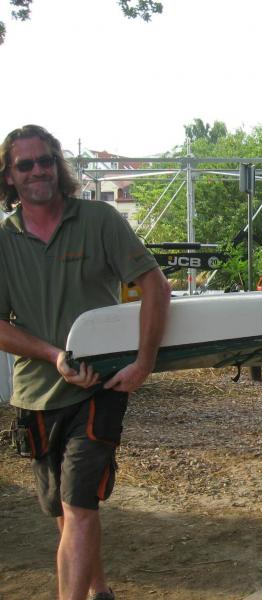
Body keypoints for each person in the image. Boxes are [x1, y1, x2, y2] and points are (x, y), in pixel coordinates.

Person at [0, 125, 171, 600]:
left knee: (79, 506)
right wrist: (53, 355)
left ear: (58, 165)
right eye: (25, 164)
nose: (38, 171)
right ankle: (100, 591)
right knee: (63, 510)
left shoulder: (98, 219)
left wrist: (143, 363)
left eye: (45, 160)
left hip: (99, 388)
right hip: (35, 394)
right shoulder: (3, 240)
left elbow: (155, 286)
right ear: (9, 176)